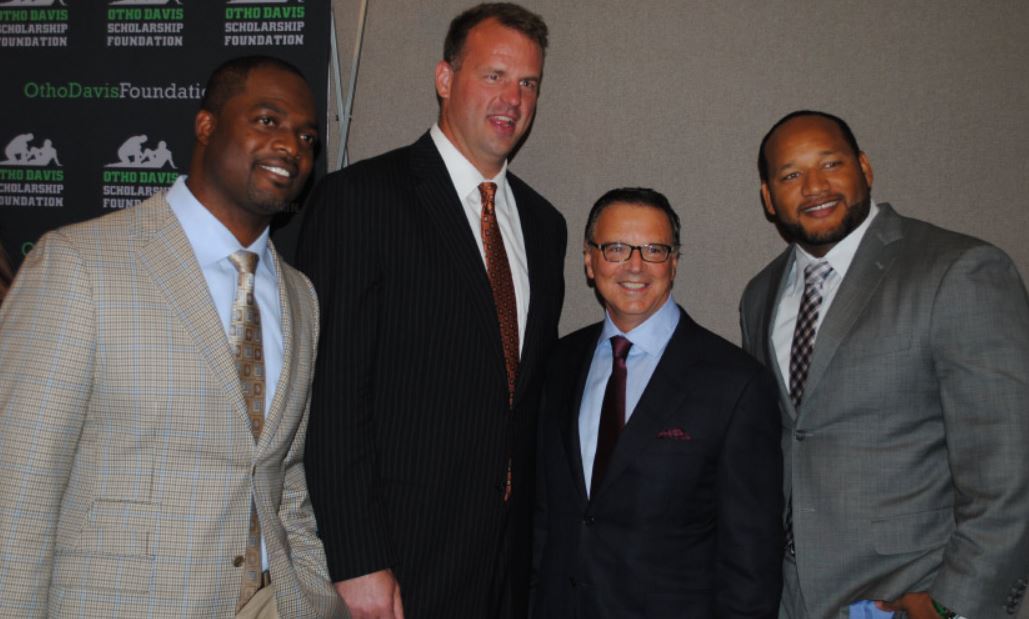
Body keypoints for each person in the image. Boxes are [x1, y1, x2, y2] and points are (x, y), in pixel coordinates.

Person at [0, 55, 347, 618]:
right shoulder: (82, 265)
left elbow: (284, 476)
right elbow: (16, 488)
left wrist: (309, 593)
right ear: (206, 125)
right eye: (266, 120)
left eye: (306, 136)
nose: (291, 146)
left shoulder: (299, 296)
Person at [296, 3, 566, 617]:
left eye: (529, 83)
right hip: (396, 559)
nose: (513, 98)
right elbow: (331, 395)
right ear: (445, 78)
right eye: (494, 75)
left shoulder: (545, 226)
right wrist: (357, 558)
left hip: (505, 562)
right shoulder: (361, 200)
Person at [739, 110, 1029, 619]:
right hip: (787, 599)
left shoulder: (957, 271)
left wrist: (954, 606)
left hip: (909, 596)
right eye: (790, 175)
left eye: (831, 163)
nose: (814, 187)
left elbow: (1010, 465)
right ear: (768, 196)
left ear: (865, 168)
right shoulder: (760, 295)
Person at [532, 188, 783, 618]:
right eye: (615, 248)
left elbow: (752, 561)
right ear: (589, 262)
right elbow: (542, 520)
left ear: (674, 263)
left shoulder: (736, 383)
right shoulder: (556, 363)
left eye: (653, 249)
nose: (635, 265)